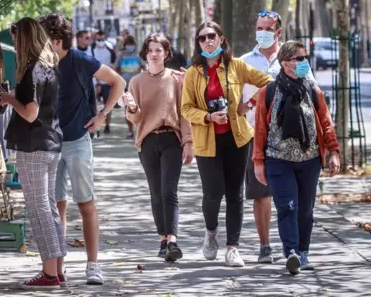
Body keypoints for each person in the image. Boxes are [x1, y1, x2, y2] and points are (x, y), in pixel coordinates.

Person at [39, 13, 126, 285]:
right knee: (56, 208)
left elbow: (118, 82)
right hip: (50, 144)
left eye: (43, 40)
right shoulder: (42, 65)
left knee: (86, 203)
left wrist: (103, 115)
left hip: (77, 141)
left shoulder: (79, 59)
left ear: (56, 41)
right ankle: (58, 269)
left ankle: (93, 265)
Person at [181, 21, 273, 267]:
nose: (208, 41)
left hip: (237, 138)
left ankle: (233, 248)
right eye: (202, 38)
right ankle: (211, 232)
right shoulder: (193, 73)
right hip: (206, 141)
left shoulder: (236, 66)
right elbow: (186, 108)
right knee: (212, 193)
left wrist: (249, 104)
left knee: (235, 194)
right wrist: (208, 116)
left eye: (212, 36)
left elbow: (267, 83)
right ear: (198, 43)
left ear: (221, 39)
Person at [252, 40, 340, 275]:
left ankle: (303, 252)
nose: (304, 63)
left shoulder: (313, 89)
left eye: (304, 58)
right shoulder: (269, 92)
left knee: (305, 210)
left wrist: (334, 152)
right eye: (299, 59)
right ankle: (291, 252)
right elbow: (260, 128)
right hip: (278, 159)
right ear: (285, 63)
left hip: (310, 161)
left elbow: (325, 123)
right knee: (287, 206)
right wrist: (258, 161)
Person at [239, 10, 318, 264]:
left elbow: (314, 94)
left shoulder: (295, 57)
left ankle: (295, 249)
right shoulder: (244, 61)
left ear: (278, 32)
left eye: (268, 28)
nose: (262, 32)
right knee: (261, 194)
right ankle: (265, 246)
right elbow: (237, 103)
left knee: (293, 203)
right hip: (257, 138)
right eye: (259, 27)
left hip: (297, 142)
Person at [0, 17, 65, 288]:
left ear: (25, 40)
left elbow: (30, 113)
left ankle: (49, 273)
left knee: (38, 209)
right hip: (50, 143)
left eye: (16, 39)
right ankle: (57, 269)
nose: (14, 44)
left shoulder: (31, 70)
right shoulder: (50, 67)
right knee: (48, 208)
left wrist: (8, 98)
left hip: (34, 145)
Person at [124, 33, 194, 261]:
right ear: (145, 54)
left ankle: (173, 240)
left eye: (159, 50)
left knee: (168, 191)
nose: (154, 54)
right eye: (151, 50)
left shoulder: (175, 79)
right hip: (147, 141)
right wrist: (132, 108)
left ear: (166, 54)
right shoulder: (135, 82)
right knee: (155, 193)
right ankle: (162, 239)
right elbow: (134, 119)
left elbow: (185, 113)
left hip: (171, 140)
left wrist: (188, 142)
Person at [114, 35, 144, 139]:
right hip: (126, 85)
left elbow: (144, 67)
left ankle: (139, 128)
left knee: (139, 107)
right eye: (128, 44)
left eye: (132, 44)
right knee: (128, 108)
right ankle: (130, 130)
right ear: (125, 45)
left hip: (138, 86)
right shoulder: (121, 55)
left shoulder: (139, 55)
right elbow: (116, 68)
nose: (130, 46)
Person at [90, 30, 117, 134]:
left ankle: (107, 125)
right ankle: (95, 125)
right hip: (94, 82)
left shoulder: (110, 49)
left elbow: (113, 65)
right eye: (98, 39)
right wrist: (97, 82)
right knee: (93, 105)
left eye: (102, 39)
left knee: (107, 106)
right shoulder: (91, 49)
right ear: (95, 39)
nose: (100, 41)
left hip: (107, 82)